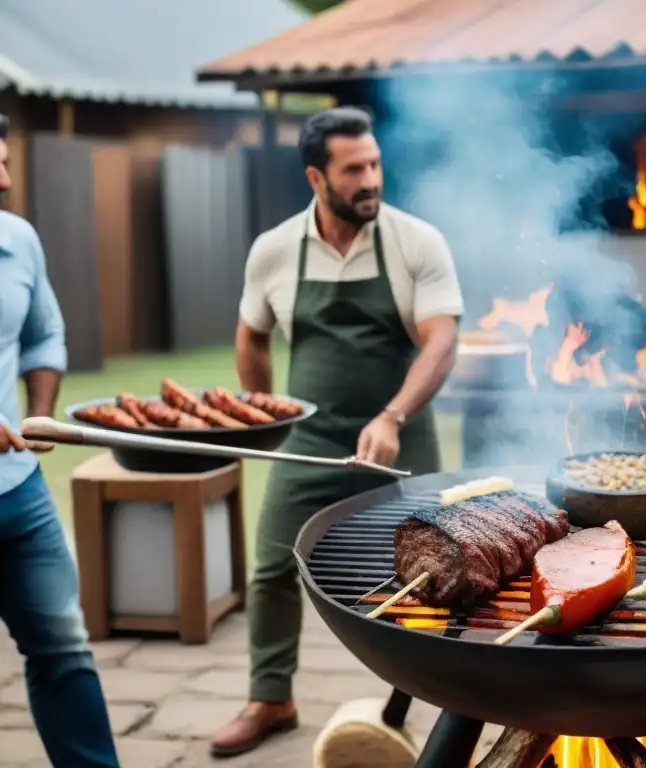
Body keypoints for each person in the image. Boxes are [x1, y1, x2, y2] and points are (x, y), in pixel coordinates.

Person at [211, 107, 463, 757]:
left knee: (437, 572)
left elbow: (441, 341)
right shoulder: (274, 250)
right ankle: (271, 698)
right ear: (316, 178)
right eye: (355, 170)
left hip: (400, 435)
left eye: (375, 164)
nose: (371, 179)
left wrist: (393, 416)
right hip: (310, 439)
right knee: (269, 566)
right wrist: (263, 412)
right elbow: (251, 333)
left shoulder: (416, 241)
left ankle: (441, 703)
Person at [0, 112, 120, 766]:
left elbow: (44, 334)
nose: (7, 178)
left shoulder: (17, 240)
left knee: (63, 647)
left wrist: (37, 414)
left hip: (19, 494)